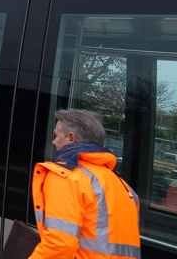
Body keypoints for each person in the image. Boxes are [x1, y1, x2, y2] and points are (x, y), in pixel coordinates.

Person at [29, 109, 141, 259]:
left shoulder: (67, 177)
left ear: (71, 138)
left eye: (56, 135)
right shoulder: (125, 188)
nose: (53, 141)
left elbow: (59, 245)